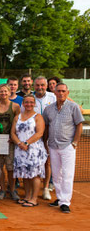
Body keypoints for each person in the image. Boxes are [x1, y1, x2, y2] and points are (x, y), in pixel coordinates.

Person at [43, 83, 84, 213]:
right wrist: (45, 142)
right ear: (54, 92)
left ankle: (65, 202)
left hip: (68, 146)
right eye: (58, 91)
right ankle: (60, 198)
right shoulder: (48, 109)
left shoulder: (74, 107)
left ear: (67, 93)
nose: (61, 93)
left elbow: (79, 125)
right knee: (56, 175)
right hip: (53, 146)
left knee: (67, 174)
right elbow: (46, 127)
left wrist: (75, 143)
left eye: (63, 91)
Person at [11, 95, 47, 207]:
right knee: (24, 174)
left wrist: (26, 143)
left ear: (34, 104)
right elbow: (12, 133)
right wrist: (19, 143)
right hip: (20, 150)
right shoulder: (17, 117)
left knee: (34, 175)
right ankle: (27, 197)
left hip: (34, 150)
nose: (29, 104)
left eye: (31, 102)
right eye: (26, 102)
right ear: (23, 103)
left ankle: (34, 198)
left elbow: (39, 133)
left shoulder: (38, 117)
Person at [0, 84, 21, 201]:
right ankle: (2, 189)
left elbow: (18, 123)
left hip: (10, 141)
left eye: (5, 92)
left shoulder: (16, 106)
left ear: (9, 92)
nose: (3, 94)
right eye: (1, 92)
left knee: (10, 168)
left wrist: (14, 137)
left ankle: (12, 190)